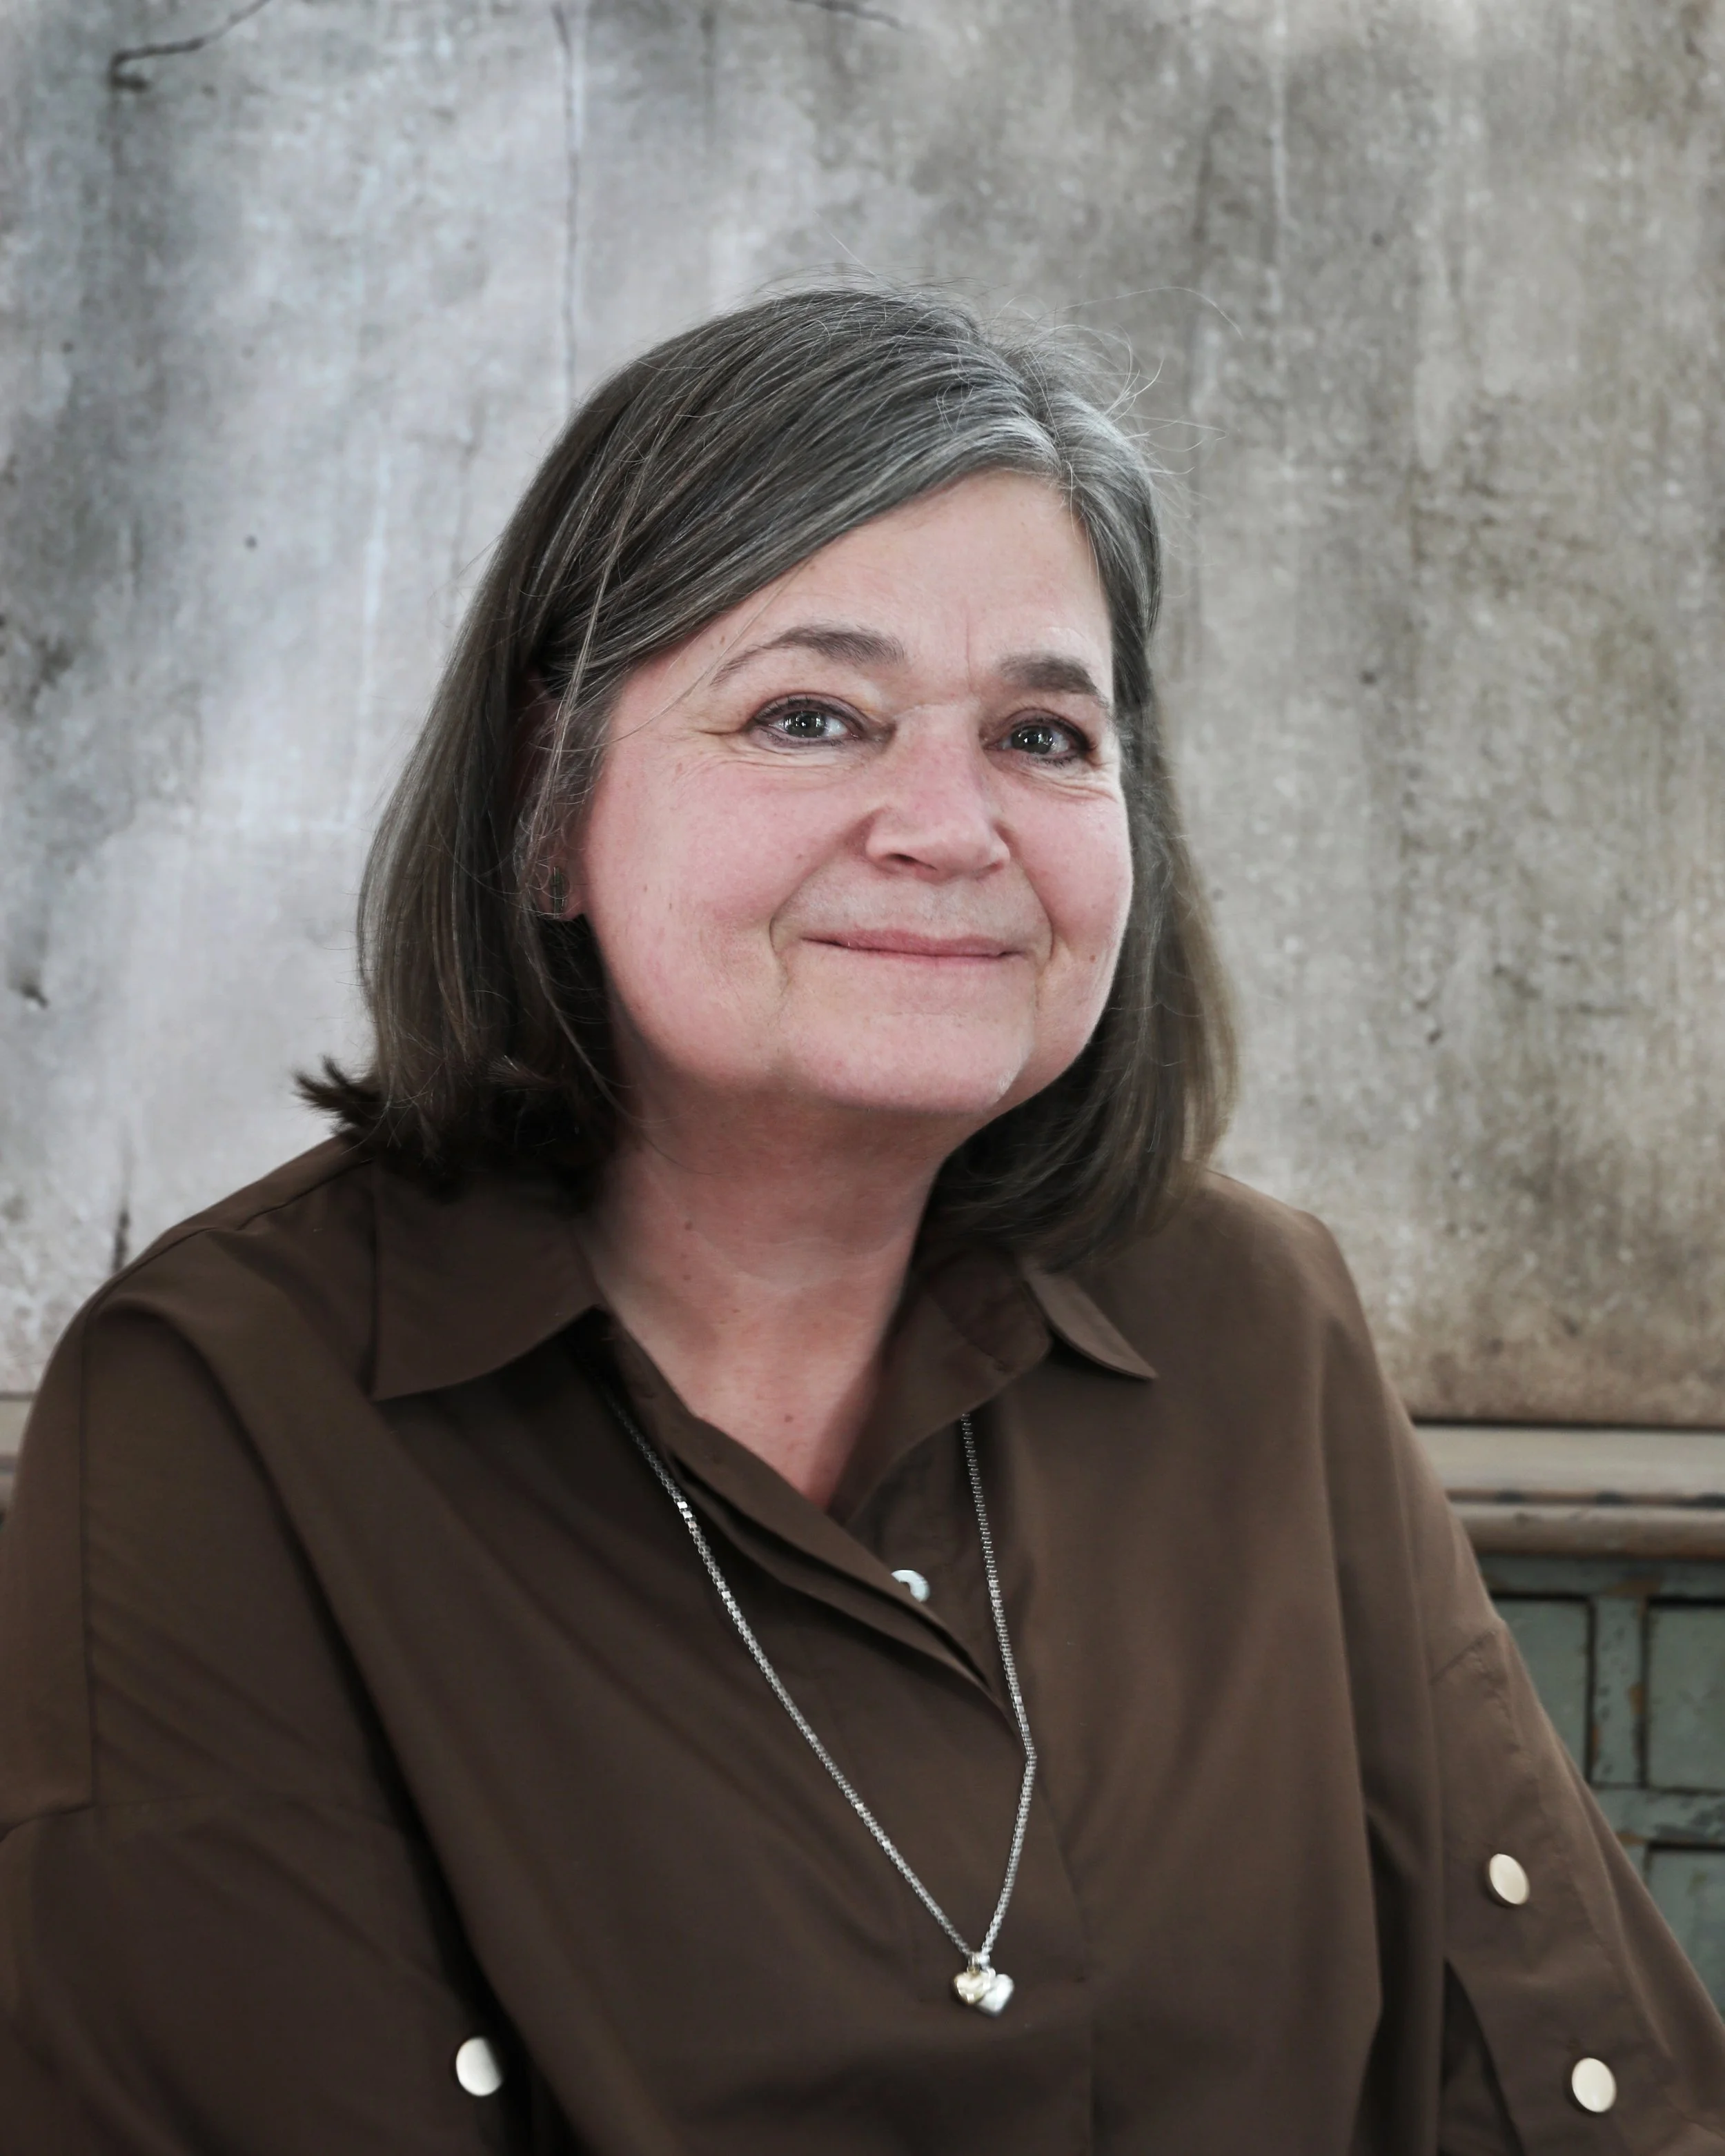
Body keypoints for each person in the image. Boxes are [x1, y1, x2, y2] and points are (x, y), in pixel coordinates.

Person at [1, 284, 1719, 2155]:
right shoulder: (226, 1403)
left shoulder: (1251, 1316)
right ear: (545, 800)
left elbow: (1592, 2100)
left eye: (1043, 736)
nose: (949, 826)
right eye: (810, 716)